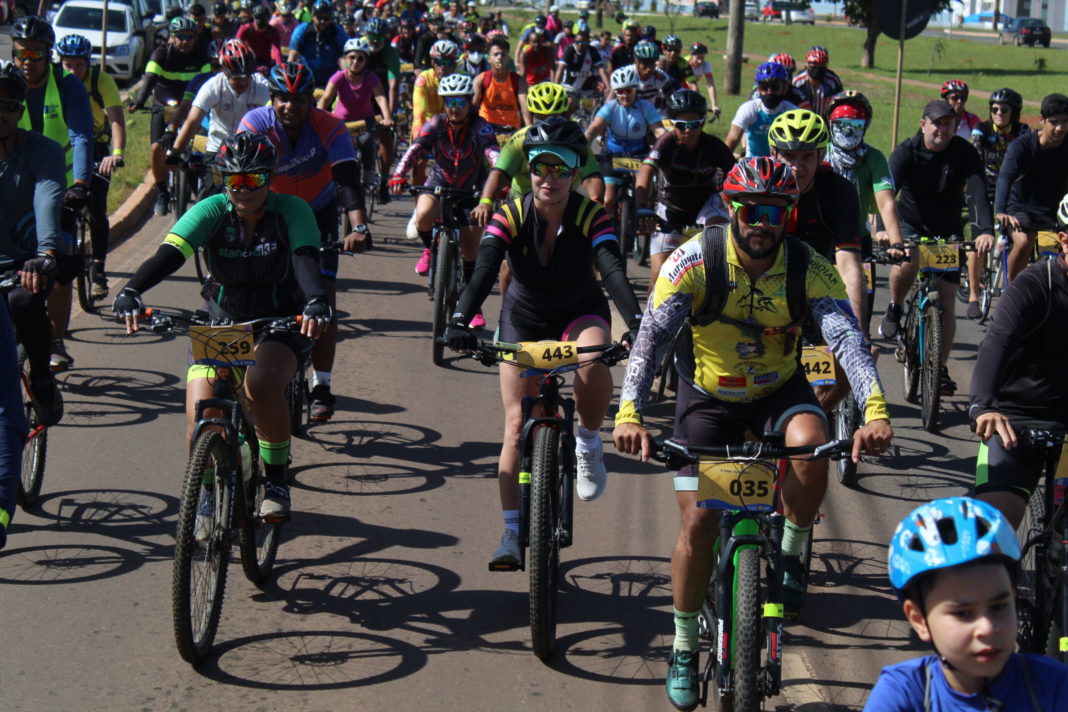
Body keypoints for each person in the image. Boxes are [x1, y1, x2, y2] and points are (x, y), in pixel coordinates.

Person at [613, 156, 891, 710]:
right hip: (708, 397)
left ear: (788, 214)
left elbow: (846, 339)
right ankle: (687, 644)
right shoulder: (694, 260)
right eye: (750, 210)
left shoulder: (808, 266)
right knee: (698, 526)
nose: (761, 222)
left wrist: (876, 408)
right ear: (732, 210)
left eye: (775, 211)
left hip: (777, 392)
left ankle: (791, 547)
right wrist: (629, 414)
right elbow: (649, 343)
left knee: (813, 450)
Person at [444, 119, 642, 566]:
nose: (549, 178)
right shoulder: (511, 213)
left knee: (594, 363)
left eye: (561, 168)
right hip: (524, 317)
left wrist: (636, 322)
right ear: (528, 171)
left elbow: (611, 270)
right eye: (540, 167)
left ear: (576, 172)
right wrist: (460, 317)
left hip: (579, 312)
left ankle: (589, 442)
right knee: (516, 426)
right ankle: (511, 533)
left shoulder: (592, 214)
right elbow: (483, 268)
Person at [112, 134, 330, 519]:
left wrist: (315, 300)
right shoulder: (212, 210)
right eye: (233, 181)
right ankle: (208, 493)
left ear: (270, 178)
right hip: (223, 319)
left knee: (260, 385)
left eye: (253, 180)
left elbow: (305, 258)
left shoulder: (291, 211)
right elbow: (169, 253)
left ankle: (277, 479)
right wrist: (131, 289)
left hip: (278, 320)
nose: (243, 190)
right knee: (202, 409)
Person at [239, 61, 371, 423]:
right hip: (272, 211)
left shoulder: (330, 126)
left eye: (297, 99)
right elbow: (240, 178)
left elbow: (346, 179)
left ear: (310, 101)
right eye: (281, 98)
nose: (289, 106)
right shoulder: (254, 124)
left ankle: (322, 384)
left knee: (324, 295)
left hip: (319, 210)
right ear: (272, 99)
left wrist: (358, 225)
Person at [867, 496, 1068, 710]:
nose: (987, 628)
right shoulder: (903, 694)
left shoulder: (1055, 684)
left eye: (999, 606)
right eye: (963, 613)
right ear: (919, 620)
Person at [879, 99, 994, 395]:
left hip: (948, 229)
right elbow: (886, 195)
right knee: (909, 261)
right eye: (937, 123)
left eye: (948, 123)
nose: (943, 129)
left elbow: (978, 192)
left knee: (946, 302)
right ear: (923, 124)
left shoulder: (964, 152)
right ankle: (894, 307)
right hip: (911, 224)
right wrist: (886, 235)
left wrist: (984, 231)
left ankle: (939, 366)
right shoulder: (906, 151)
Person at [969, 193, 1068, 530]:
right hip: (1016, 422)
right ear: (1064, 241)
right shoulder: (1034, 285)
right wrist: (984, 406)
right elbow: (997, 343)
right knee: (989, 535)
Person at [12, 16, 95, 375]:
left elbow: (81, 137)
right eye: (21, 53)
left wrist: (79, 184)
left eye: (36, 54)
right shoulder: (7, 84)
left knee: (60, 262)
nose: (27, 61)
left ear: (49, 55)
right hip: (13, 182)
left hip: (57, 183)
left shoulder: (68, 87)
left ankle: (56, 338)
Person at [389, 72, 499, 329]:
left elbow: (494, 156)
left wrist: (498, 184)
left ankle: (473, 305)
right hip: (439, 182)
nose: (454, 108)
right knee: (424, 215)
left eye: (460, 102)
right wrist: (397, 175)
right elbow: (415, 150)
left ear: (469, 103)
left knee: (471, 249)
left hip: (472, 187)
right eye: (449, 102)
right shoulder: (435, 124)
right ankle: (429, 248)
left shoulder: (480, 126)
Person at [0, 61, 65, 429]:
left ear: (21, 110)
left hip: (24, 264)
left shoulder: (43, 151)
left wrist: (46, 253)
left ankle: (41, 376)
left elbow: (47, 199)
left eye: (9, 105)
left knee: (23, 301)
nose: (0, 113)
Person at [768, 109, 866, 333]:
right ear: (773, 154)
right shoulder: (760, 190)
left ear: (821, 156)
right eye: (789, 156)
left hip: (816, 288)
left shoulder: (840, 191)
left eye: (807, 156)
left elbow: (848, 265)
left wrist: (860, 334)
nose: (797, 167)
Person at [636, 89, 734, 292]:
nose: (688, 131)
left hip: (705, 205)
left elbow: (736, 174)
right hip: (671, 208)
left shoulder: (713, 146)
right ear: (671, 124)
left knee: (723, 241)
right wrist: (641, 208)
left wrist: (736, 206)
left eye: (694, 125)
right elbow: (645, 171)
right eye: (681, 125)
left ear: (703, 122)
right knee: (658, 275)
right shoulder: (666, 143)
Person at [472, 84, 605, 229]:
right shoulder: (519, 139)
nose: (547, 124)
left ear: (565, 115)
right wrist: (485, 202)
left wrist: (596, 203)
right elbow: (499, 173)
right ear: (530, 115)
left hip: (563, 205)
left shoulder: (576, 140)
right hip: (522, 202)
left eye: (554, 117)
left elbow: (591, 177)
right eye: (540, 118)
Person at [54, 34, 126, 303]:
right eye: (67, 65)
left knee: (96, 209)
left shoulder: (100, 80)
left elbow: (116, 119)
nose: (72, 71)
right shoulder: (54, 81)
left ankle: (98, 271)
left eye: (78, 65)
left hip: (97, 148)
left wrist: (117, 153)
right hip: (63, 149)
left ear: (88, 63)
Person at [825, 91, 904, 334]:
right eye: (841, 125)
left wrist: (897, 242)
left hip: (859, 241)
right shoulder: (819, 154)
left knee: (861, 320)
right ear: (830, 125)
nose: (848, 131)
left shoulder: (874, 157)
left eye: (855, 125)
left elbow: (886, 203)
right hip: (821, 238)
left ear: (865, 126)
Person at [130, 16, 213, 217]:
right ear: (172, 38)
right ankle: (162, 192)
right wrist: (139, 102)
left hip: (193, 105)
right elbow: (149, 79)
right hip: (164, 104)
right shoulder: (161, 53)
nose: (185, 41)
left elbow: (208, 83)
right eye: (180, 37)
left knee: (202, 145)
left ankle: (201, 178)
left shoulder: (202, 55)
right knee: (156, 148)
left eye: (189, 37)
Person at [966, 88, 1028, 318]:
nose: (998, 113)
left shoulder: (1022, 131)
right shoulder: (981, 129)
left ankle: (1011, 289)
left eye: (1004, 109)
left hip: (1012, 190)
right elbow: (974, 154)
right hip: (984, 186)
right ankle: (973, 295)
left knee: (1019, 235)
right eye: (994, 109)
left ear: (1015, 112)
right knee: (979, 239)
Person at [994, 92, 1068, 284]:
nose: (1060, 128)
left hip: (1055, 211)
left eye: (1065, 121)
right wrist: (1000, 211)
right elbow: (1005, 177)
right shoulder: (1023, 146)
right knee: (1024, 241)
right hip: (1021, 208)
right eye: (1054, 122)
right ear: (1042, 120)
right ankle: (1011, 291)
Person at [170, 39, 271, 165]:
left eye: (247, 76)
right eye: (237, 78)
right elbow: (193, 121)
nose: (243, 82)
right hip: (218, 150)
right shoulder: (213, 86)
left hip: (251, 151)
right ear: (225, 72)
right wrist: (175, 153)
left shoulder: (261, 85)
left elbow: (274, 119)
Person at [585, 65, 666, 217]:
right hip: (613, 155)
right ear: (615, 92)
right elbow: (595, 127)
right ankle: (609, 232)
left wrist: (667, 143)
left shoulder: (646, 107)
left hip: (638, 155)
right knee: (608, 200)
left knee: (643, 190)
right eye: (620, 92)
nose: (624, 96)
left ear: (636, 89)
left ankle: (642, 217)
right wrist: (585, 141)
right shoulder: (611, 107)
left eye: (629, 91)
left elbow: (658, 130)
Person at [318, 37, 393, 187]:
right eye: (352, 57)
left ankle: (368, 174)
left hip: (365, 121)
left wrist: (387, 117)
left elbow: (380, 98)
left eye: (360, 59)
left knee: (366, 141)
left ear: (366, 61)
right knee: (332, 145)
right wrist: (316, 117)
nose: (355, 62)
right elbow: (326, 99)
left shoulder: (370, 78)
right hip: (341, 121)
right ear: (345, 58)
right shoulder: (339, 77)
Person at [725, 62, 797, 158]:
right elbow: (733, 138)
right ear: (758, 88)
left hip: (781, 166)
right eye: (764, 87)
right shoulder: (749, 109)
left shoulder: (792, 112)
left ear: (785, 87)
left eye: (775, 87)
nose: (769, 91)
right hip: (753, 163)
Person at [473, 36, 530, 131]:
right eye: (496, 54)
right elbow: (473, 106)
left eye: (503, 54)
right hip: (486, 129)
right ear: (489, 58)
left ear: (508, 58)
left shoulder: (518, 81)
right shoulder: (481, 79)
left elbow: (525, 107)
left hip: (511, 130)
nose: (499, 57)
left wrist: (529, 129)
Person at [287, 0, 349, 87]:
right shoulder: (302, 30)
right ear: (313, 16)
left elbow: (346, 57)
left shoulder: (338, 33)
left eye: (326, 18)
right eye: (319, 17)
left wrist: (346, 76)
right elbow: (292, 57)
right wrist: (289, 79)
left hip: (331, 82)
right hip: (305, 80)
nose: (323, 21)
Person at [412, 39, 459, 140]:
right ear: (433, 62)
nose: (442, 67)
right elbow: (419, 114)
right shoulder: (423, 79)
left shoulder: (462, 78)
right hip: (428, 128)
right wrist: (418, 142)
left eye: (447, 62)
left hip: (454, 129)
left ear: (455, 64)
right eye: (439, 62)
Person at [554, 29, 611, 107]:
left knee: (594, 106)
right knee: (570, 103)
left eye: (583, 42)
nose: (580, 45)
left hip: (586, 89)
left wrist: (608, 86)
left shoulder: (592, 51)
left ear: (588, 42)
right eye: (577, 42)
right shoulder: (570, 49)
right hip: (569, 87)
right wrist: (555, 87)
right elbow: (560, 68)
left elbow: (601, 69)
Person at [790, 46, 842, 119]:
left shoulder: (833, 81)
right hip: (802, 118)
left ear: (826, 68)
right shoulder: (798, 81)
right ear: (806, 67)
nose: (817, 70)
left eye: (821, 68)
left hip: (826, 119)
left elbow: (839, 102)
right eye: (813, 67)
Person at [237, 3, 284, 69]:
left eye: (263, 19)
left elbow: (276, 50)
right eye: (258, 19)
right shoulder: (245, 29)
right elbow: (236, 45)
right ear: (253, 18)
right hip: (249, 62)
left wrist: (280, 67)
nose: (260, 22)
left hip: (266, 63)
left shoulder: (272, 31)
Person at [632, 40, 675, 110]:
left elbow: (672, 100)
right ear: (636, 61)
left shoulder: (661, 77)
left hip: (650, 113)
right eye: (645, 63)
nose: (649, 69)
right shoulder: (626, 75)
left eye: (652, 64)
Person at [684, 42, 720, 118]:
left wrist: (714, 105)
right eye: (698, 58)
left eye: (702, 58)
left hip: (692, 89)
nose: (700, 61)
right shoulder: (684, 63)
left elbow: (710, 85)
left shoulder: (706, 65)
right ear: (691, 55)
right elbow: (692, 86)